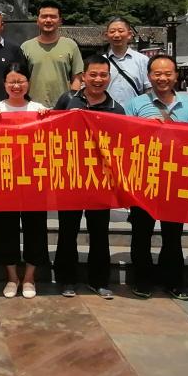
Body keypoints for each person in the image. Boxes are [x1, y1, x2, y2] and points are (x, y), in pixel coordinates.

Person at [126, 54, 188, 301]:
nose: (162, 78)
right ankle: (142, 281)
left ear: (176, 76)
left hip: (177, 180)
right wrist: (143, 127)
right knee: (141, 234)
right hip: (144, 179)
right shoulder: (135, 104)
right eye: (157, 73)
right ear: (149, 76)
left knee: (173, 234)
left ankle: (174, 282)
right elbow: (123, 138)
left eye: (168, 73)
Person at [53, 54, 123, 299]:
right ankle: (66, 279)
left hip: (100, 181)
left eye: (103, 75)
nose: (98, 79)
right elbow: (52, 130)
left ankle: (99, 281)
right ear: (83, 76)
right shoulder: (68, 100)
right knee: (67, 230)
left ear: (109, 78)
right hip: (71, 177)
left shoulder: (116, 109)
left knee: (99, 231)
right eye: (93, 74)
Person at [0, 63, 49, 298]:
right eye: (11, 81)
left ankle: (30, 278)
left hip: (33, 178)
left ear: (28, 83)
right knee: (5, 226)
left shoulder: (38, 109)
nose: (16, 86)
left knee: (36, 225)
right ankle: (12, 277)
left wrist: (47, 119)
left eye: (20, 81)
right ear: (4, 84)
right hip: (5, 177)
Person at [21, 1, 84, 109]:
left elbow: (77, 78)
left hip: (63, 107)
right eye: (44, 16)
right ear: (37, 20)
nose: (48, 20)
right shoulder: (26, 47)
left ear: (60, 21)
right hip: (33, 107)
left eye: (53, 17)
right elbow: (21, 79)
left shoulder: (70, 45)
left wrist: (72, 102)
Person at [102, 16, 149, 109]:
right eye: (112, 31)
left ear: (129, 34)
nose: (116, 35)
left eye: (120, 31)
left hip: (135, 113)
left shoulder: (143, 60)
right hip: (107, 113)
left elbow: (149, 90)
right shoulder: (101, 61)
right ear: (106, 35)